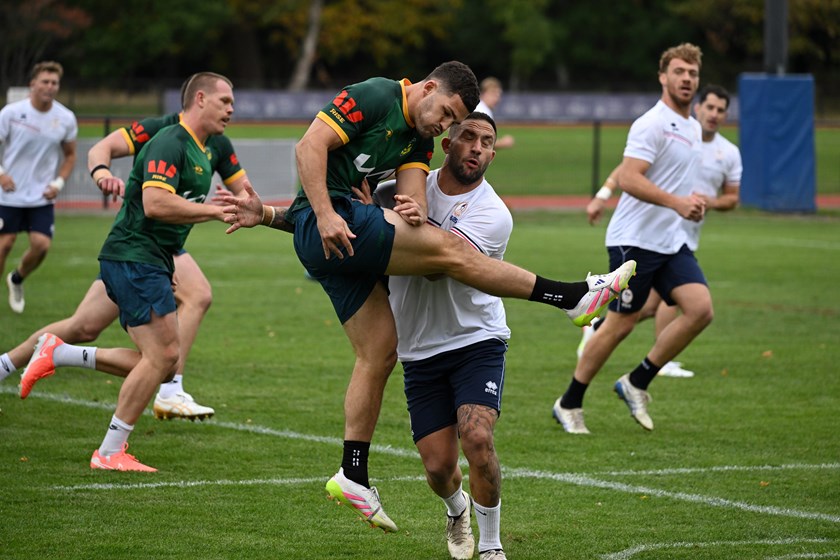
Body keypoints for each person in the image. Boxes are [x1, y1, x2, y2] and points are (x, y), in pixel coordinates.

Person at [217, 61, 636, 531]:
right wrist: (326, 213)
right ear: (428, 88)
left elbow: (413, 210)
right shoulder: (375, 95)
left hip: (330, 240)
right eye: (449, 116)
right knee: (451, 253)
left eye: (458, 125)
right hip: (329, 224)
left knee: (378, 352)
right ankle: (573, 298)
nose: (445, 127)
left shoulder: (417, 142)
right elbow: (309, 145)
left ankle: (353, 471)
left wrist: (280, 215)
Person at [18, 72, 239, 471]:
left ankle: (61, 354)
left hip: (152, 257)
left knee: (160, 357)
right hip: (135, 255)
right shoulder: (168, 140)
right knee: (163, 356)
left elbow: (243, 192)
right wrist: (212, 210)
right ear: (200, 99)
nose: (232, 109)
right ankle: (109, 451)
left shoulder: (210, 146)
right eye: (225, 101)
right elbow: (155, 203)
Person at [368, 112, 510, 559]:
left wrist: (407, 222)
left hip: (476, 338)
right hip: (419, 348)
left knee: (478, 438)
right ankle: (456, 509)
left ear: (492, 153)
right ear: (446, 145)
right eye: (467, 137)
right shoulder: (404, 188)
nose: (477, 147)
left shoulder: (493, 213)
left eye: (486, 142)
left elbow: (436, 267)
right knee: (438, 468)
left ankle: (490, 547)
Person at [551, 43, 712, 435]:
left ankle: (637, 381)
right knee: (619, 327)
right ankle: (569, 402)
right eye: (678, 71)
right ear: (663, 77)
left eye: (692, 73)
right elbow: (629, 177)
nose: (686, 79)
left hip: (670, 241)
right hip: (634, 242)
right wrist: (676, 203)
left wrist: (691, 202)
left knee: (700, 309)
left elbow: (671, 180)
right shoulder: (651, 123)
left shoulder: (693, 127)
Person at [571, 84, 741, 384]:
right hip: (651, 233)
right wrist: (603, 195)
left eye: (721, 110)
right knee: (663, 304)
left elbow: (731, 198)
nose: (714, 114)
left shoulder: (728, 152)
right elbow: (628, 169)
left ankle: (604, 337)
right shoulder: (672, 132)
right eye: (710, 107)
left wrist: (707, 201)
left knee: (652, 306)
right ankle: (649, 365)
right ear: (698, 108)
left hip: (682, 236)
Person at [0, 61, 77, 314]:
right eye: (45, 81)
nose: (50, 87)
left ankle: (17, 278)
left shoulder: (65, 118)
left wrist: (58, 182)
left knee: (42, 245)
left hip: (41, 196)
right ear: (32, 84)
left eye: (54, 83)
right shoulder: (11, 113)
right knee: (4, 245)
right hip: (8, 195)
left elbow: (70, 155)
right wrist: (1, 174)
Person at [475, 77, 514, 149]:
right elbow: (481, 142)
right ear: (484, 93)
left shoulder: (480, 108)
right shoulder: (482, 111)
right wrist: (504, 143)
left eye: (499, 95)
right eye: (494, 94)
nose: (497, 98)